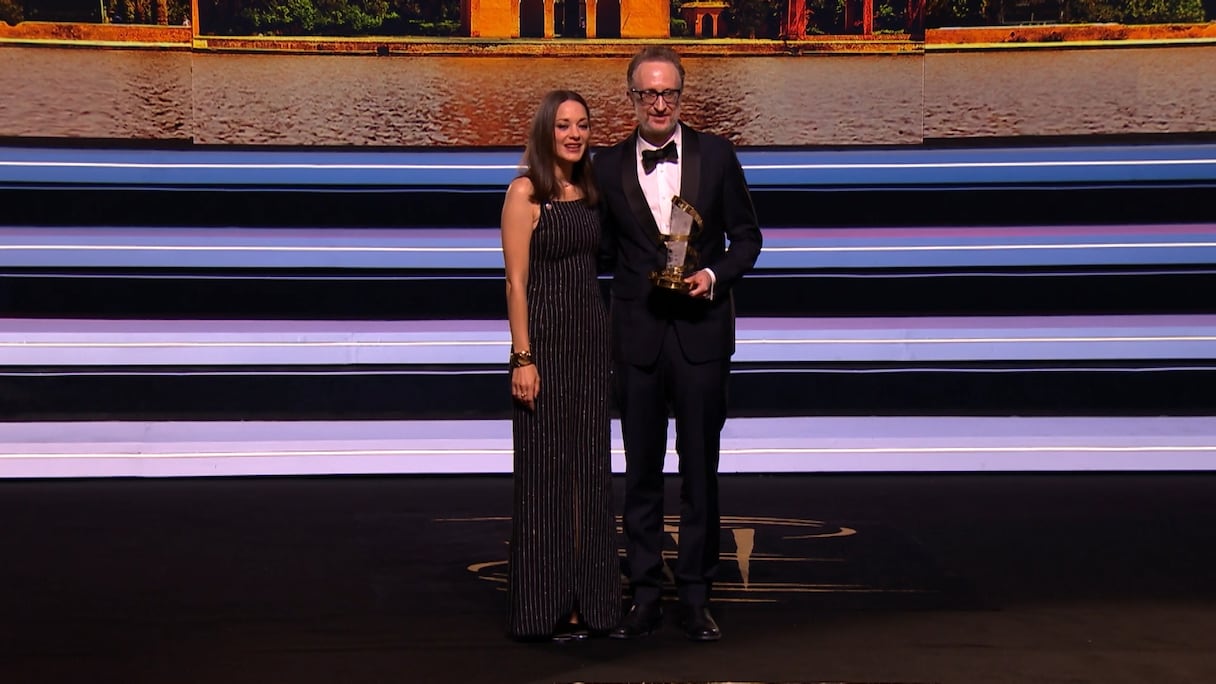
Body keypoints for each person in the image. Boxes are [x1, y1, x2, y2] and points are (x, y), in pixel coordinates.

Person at [594, 47, 763, 642]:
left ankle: (695, 595)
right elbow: (599, 251)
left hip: (701, 336)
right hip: (637, 339)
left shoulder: (718, 154)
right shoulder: (606, 166)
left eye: (669, 94)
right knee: (640, 472)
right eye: (647, 94)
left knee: (700, 472)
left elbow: (748, 239)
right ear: (632, 98)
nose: (659, 104)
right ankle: (643, 590)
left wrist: (713, 275)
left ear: (681, 96)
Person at [499, 89, 622, 642]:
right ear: (546, 130)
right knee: (547, 475)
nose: (574, 134)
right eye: (563, 125)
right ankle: (542, 608)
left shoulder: (592, 191)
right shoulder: (525, 192)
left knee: (591, 474)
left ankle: (592, 606)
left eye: (582, 125)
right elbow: (515, 282)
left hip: (591, 344)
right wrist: (522, 357)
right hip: (543, 346)